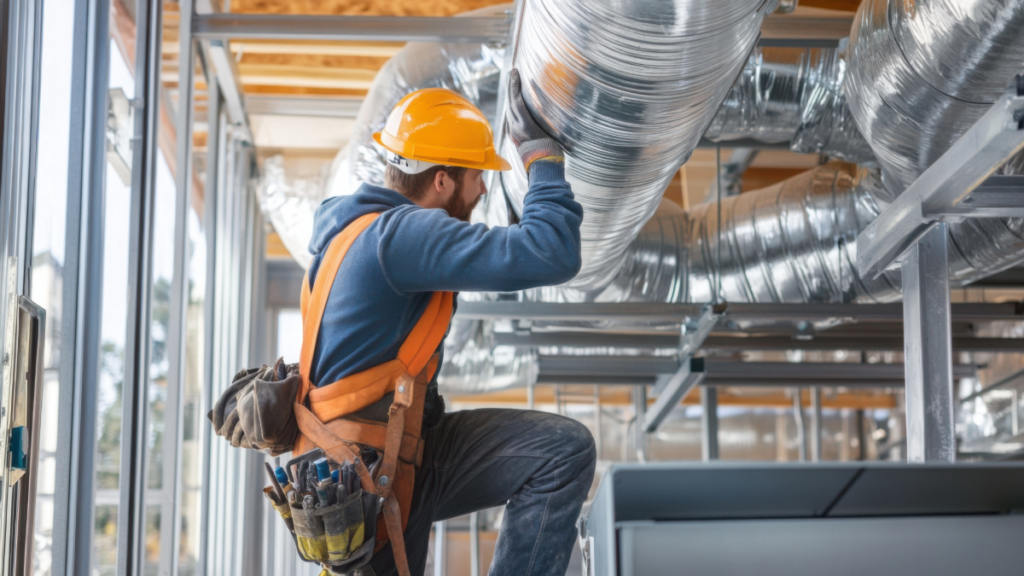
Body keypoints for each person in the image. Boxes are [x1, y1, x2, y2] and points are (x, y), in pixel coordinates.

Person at [299, 68, 596, 576]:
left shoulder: (357, 233)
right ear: (441, 180)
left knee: (560, 452)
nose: (483, 189)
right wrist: (542, 158)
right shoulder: (401, 238)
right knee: (561, 453)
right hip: (370, 480)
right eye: (477, 174)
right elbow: (551, 251)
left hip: (390, 458)